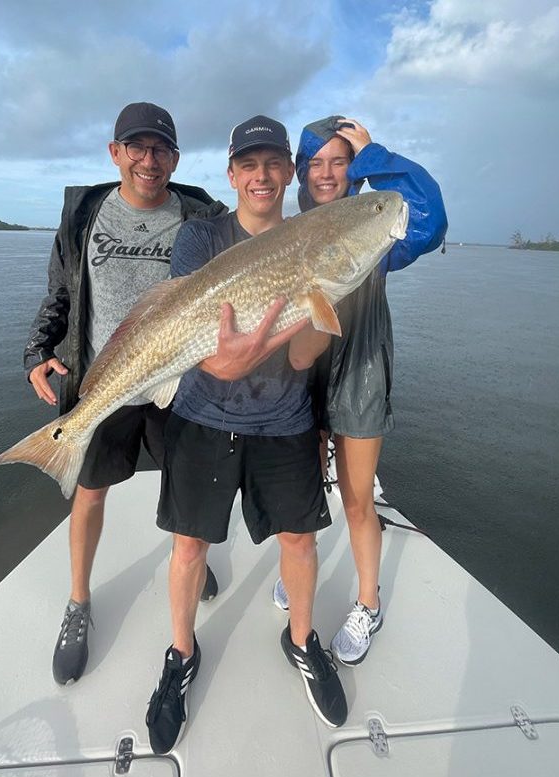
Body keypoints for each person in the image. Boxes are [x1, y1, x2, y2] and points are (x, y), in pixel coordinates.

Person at [145, 116, 347, 755]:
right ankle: (181, 653)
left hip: (284, 419)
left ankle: (302, 640)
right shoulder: (200, 237)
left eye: (272, 164)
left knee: (300, 539)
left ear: (289, 173)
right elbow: (198, 342)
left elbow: (300, 359)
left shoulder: (312, 237)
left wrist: (327, 292)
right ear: (232, 175)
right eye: (248, 165)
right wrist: (221, 362)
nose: (261, 175)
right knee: (188, 546)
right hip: (203, 417)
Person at [23, 102, 226, 685]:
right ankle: (78, 602)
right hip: (103, 381)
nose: (148, 159)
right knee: (88, 495)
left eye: (161, 148)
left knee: (185, 489)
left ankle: (189, 562)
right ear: (114, 153)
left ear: (177, 159)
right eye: (136, 147)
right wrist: (38, 350)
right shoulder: (85, 214)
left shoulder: (201, 217)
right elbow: (60, 290)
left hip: (180, 382)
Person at [272, 116, 447, 666]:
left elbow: (429, 217)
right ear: (302, 172)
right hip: (301, 372)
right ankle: (301, 572)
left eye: (339, 161)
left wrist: (374, 153)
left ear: (354, 170)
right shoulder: (286, 230)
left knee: (355, 497)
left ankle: (367, 603)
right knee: (299, 492)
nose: (327, 173)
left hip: (361, 368)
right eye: (315, 163)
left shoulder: (376, 227)